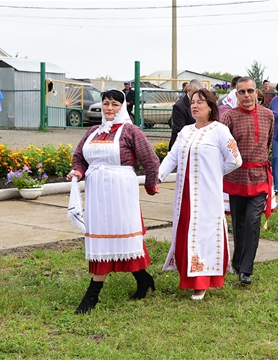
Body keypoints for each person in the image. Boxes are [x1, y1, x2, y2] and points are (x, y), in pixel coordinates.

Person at [67, 89, 160, 314]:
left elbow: (151, 160)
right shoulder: (92, 131)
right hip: (97, 192)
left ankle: (92, 295)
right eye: (106, 103)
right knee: (103, 238)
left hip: (121, 190)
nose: (110, 108)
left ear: (123, 107)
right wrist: (77, 172)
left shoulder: (131, 131)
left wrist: (150, 186)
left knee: (122, 235)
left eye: (115, 104)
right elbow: (79, 158)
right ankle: (143, 278)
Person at [159, 88, 242, 300]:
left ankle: (202, 281)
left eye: (200, 102)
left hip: (207, 193)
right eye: (193, 102)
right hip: (185, 192)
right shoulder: (185, 131)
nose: (195, 106)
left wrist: (214, 174)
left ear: (211, 107)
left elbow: (235, 160)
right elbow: (172, 157)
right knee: (186, 230)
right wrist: (157, 177)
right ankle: (187, 276)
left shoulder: (220, 130)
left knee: (204, 233)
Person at [221, 76, 274, 285]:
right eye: (241, 92)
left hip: (259, 177)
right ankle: (237, 262)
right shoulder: (229, 118)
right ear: (236, 94)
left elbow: (268, 142)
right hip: (236, 178)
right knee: (239, 223)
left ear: (256, 92)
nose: (246, 95)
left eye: (250, 91)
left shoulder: (269, 115)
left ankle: (246, 270)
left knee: (253, 221)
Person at [169, 79, 204, 150]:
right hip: (182, 146)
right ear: (188, 90)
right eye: (195, 93)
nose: (199, 96)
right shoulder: (179, 106)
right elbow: (180, 129)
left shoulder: (204, 103)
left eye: (201, 93)